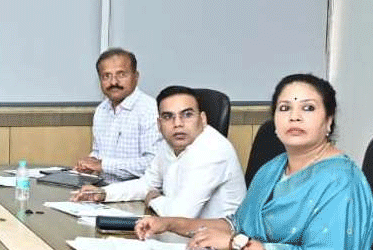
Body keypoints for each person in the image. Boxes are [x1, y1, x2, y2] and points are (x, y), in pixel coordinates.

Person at [135, 74, 373, 250]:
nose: (294, 117)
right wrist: (169, 224)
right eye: (285, 108)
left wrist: (238, 245)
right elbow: (236, 225)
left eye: (308, 108)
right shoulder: (272, 169)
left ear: (329, 121)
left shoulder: (341, 180)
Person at [72, 85, 246, 219]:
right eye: (168, 117)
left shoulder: (213, 150)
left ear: (203, 119)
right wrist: (104, 193)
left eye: (187, 115)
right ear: (159, 124)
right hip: (180, 235)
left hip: (216, 247)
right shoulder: (169, 143)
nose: (177, 124)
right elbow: (147, 184)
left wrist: (154, 199)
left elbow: (180, 215)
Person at [74, 48, 160, 182]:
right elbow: (98, 152)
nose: (113, 82)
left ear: (136, 77)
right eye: (106, 76)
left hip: (136, 191)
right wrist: (89, 163)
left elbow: (153, 163)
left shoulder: (149, 109)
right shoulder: (101, 110)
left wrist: (103, 165)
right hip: (102, 187)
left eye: (121, 75)